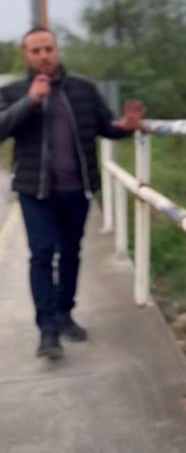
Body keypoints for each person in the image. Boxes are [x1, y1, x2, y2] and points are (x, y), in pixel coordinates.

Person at [0, 27, 146, 360]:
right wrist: (31, 101)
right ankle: (48, 331)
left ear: (57, 50)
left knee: (70, 254)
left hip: (77, 189)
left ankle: (65, 314)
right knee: (41, 255)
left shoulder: (83, 89)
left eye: (48, 49)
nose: (44, 56)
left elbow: (105, 127)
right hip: (35, 192)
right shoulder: (13, 92)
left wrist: (125, 127)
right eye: (36, 51)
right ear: (26, 55)